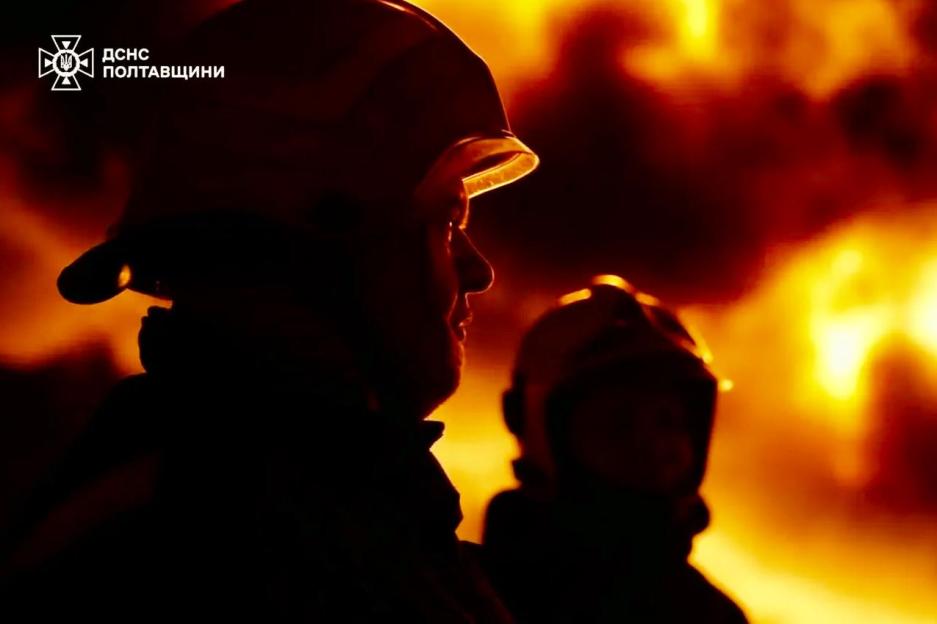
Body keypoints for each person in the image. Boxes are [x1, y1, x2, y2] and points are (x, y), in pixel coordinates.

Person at [0, 0, 538, 621]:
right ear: (314, 230)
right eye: (445, 221)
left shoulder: (358, 524)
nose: (479, 271)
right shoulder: (181, 546)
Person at [482, 275, 747, 624]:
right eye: (617, 423)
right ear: (534, 422)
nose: (649, 443)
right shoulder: (474, 596)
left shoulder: (710, 615)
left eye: (669, 421)